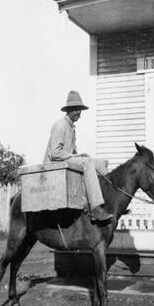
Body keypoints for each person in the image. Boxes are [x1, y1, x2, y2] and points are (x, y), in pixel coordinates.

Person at [43, 91, 113, 223]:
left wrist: (77, 155)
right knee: (86, 162)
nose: (79, 113)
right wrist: (76, 156)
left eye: (80, 110)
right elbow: (55, 153)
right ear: (68, 110)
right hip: (54, 166)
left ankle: (110, 201)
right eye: (76, 110)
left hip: (65, 162)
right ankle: (96, 208)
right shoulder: (60, 125)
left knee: (101, 163)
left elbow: (70, 152)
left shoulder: (71, 127)